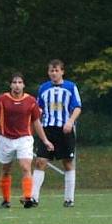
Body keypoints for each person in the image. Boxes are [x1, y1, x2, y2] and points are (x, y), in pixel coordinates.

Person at [0, 73, 54, 208]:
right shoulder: (2, 99)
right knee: (6, 169)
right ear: (10, 85)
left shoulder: (30, 101)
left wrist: (45, 140)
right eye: (14, 82)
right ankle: (6, 200)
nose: (17, 85)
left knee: (25, 166)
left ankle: (28, 198)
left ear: (23, 85)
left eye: (19, 82)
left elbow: (36, 122)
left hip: (24, 138)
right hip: (6, 138)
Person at [28, 59, 82, 208]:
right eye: (51, 70)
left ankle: (69, 198)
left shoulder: (71, 87)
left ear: (62, 72)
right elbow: (39, 108)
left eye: (56, 70)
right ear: (48, 72)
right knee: (40, 161)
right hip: (47, 129)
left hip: (65, 129)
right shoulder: (43, 88)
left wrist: (70, 122)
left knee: (68, 162)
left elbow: (77, 107)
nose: (54, 73)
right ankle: (33, 198)